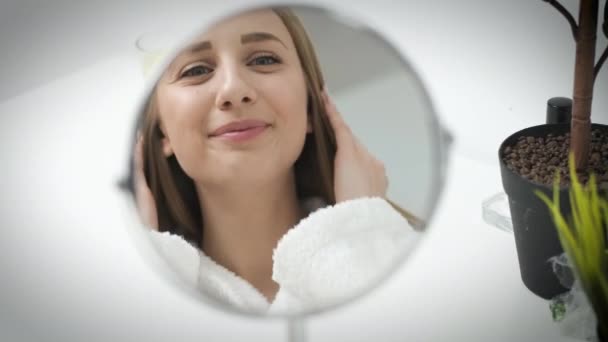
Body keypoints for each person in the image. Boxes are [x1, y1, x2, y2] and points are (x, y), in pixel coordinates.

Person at [130, 6, 422, 315]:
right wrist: (144, 266)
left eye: (264, 60)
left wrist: (359, 229)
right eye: (196, 70)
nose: (234, 89)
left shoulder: (418, 257)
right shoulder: (129, 294)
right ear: (163, 133)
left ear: (311, 107)